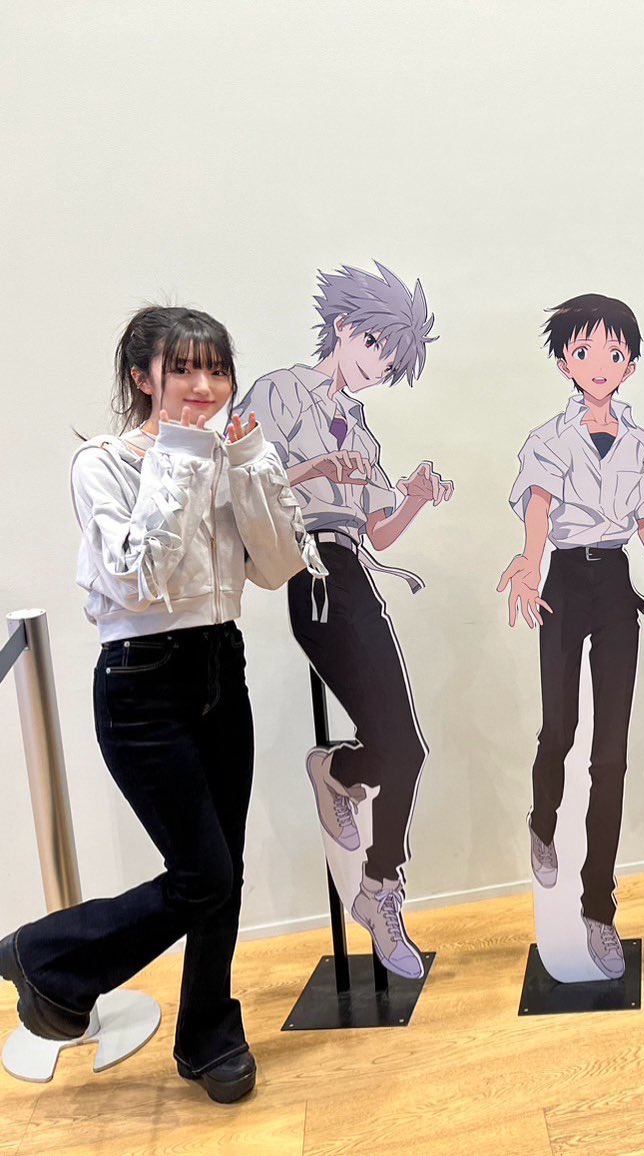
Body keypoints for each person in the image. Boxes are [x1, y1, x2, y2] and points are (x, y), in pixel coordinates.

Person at [0, 306, 323, 1103]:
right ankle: (46, 955)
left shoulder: (227, 455)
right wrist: (180, 455)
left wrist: (248, 462)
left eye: (216, 368)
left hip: (220, 666)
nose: (203, 386)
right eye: (182, 369)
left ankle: (207, 1034)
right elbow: (138, 579)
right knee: (202, 873)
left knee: (223, 872)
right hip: (141, 684)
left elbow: (277, 566)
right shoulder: (102, 464)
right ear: (142, 377)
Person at [234, 262, 447, 980]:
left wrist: (413, 497)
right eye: (378, 347)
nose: (380, 367)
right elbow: (242, 483)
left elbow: (377, 530)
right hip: (311, 571)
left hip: (354, 571)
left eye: (392, 361)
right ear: (345, 326)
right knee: (401, 744)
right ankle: (353, 820)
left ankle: (370, 864)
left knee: (407, 748)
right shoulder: (280, 391)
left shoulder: (362, 430)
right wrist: (316, 468)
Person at [500, 294, 644, 980]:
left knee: (610, 755)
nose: (599, 364)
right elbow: (539, 505)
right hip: (562, 579)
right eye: (583, 352)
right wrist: (529, 563)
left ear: (629, 364)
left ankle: (597, 908)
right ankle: (542, 821)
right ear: (565, 362)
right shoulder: (550, 437)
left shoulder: (638, 442)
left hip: (614, 583)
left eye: (613, 353)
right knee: (560, 727)